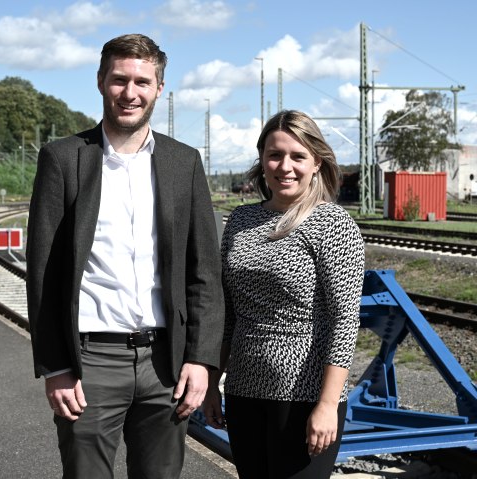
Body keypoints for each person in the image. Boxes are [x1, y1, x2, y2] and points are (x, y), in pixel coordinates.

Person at [26, 33, 224, 479]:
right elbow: (44, 272)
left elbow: (204, 272)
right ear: (100, 82)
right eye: (119, 80)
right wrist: (55, 365)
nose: (129, 93)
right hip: (90, 362)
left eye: (141, 81)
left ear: (159, 88)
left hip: (165, 365)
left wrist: (202, 358)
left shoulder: (183, 162)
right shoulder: (63, 159)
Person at [203, 110, 365, 478]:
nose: (285, 166)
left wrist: (326, 405)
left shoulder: (333, 224)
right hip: (244, 389)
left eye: (297, 156)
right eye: (275, 155)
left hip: (305, 394)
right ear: (262, 160)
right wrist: (213, 382)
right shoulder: (241, 222)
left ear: (316, 162)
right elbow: (228, 312)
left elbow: (344, 322)